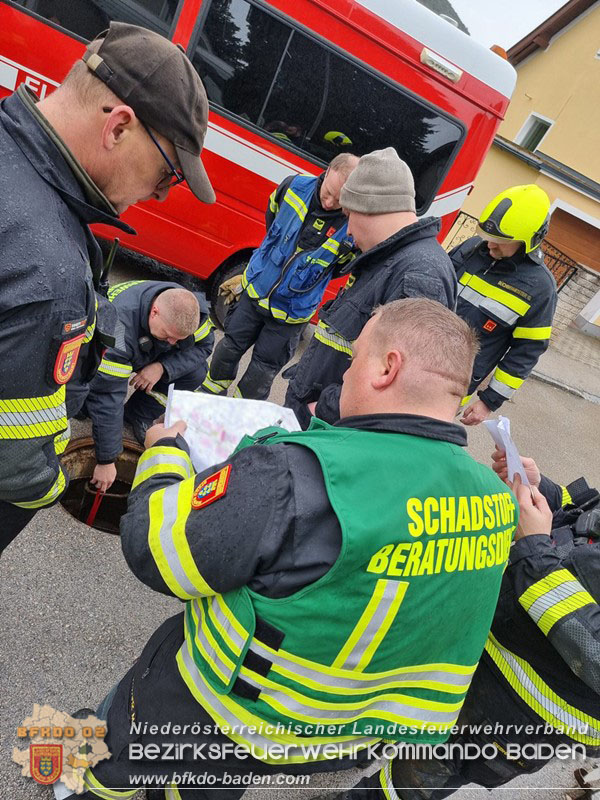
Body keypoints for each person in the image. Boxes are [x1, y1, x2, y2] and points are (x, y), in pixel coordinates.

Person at [64, 298, 518, 799]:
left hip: (222, 704)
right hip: (333, 736)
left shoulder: (297, 471)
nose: (343, 373)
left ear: (388, 368)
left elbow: (157, 552)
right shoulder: (497, 500)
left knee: (118, 766)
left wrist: (163, 455)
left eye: (355, 358)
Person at [0, 21, 215, 553]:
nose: (164, 195)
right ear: (118, 127)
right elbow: (14, 460)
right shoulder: (49, 270)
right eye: (169, 173)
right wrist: (51, 485)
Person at [319, 452, 600, 799]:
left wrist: (536, 553)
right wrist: (546, 492)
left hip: (531, 709)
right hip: (490, 641)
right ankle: (364, 747)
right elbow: (590, 520)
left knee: (426, 770)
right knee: (407, 705)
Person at [284, 147, 457, 429]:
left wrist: (325, 410)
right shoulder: (392, 260)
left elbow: (399, 382)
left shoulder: (419, 274)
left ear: (368, 207)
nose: (348, 231)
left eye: (348, 215)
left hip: (326, 428)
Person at [201, 153, 359, 400]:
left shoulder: (351, 225)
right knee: (229, 347)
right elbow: (272, 217)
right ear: (327, 171)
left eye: (339, 200)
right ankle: (209, 394)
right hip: (256, 290)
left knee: (263, 370)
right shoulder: (293, 186)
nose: (329, 203)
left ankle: (241, 411)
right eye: (328, 193)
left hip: (291, 312)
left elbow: (341, 267)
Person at [84, 280, 214, 493]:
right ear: (154, 312)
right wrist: (106, 460)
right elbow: (107, 395)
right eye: (167, 335)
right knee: (93, 401)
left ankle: (138, 414)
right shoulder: (117, 326)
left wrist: (163, 366)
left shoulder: (191, 316)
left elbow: (204, 347)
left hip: (149, 351)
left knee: (197, 372)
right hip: (110, 350)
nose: (172, 343)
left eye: (178, 340)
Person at [451, 184, 557, 426]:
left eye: (499, 240)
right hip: (409, 361)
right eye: (489, 236)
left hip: (452, 386)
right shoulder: (470, 249)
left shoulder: (540, 289)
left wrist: (489, 401)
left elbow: (526, 352)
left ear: (531, 240)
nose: (490, 244)